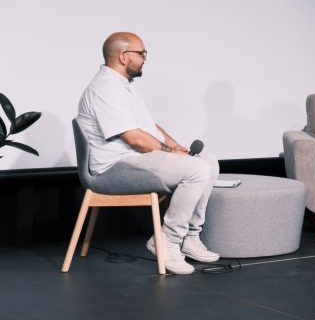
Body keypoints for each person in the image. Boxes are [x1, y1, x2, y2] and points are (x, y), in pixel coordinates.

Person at [76, 31, 220, 274]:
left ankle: (189, 237)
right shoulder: (105, 88)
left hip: (134, 159)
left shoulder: (124, 85)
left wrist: (175, 147)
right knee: (197, 169)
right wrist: (171, 153)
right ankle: (167, 241)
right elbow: (134, 138)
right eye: (142, 53)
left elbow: (149, 127)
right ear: (124, 56)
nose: (145, 58)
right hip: (114, 168)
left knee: (209, 162)